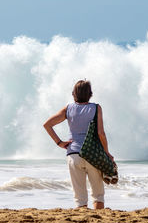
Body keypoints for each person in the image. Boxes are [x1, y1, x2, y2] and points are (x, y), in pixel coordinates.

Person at [43, 80, 114, 209]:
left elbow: (47, 124)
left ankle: (82, 222)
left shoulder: (68, 108)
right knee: (98, 194)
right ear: (90, 94)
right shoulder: (96, 108)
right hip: (92, 155)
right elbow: (101, 133)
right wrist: (107, 152)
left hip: (73, 154)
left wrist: (59, 142)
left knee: (79, 197)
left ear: (73, 93)